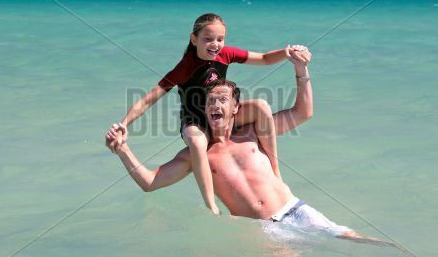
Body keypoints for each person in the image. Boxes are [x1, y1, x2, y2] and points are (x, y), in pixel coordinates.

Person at [107, 48, 393, 245]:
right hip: (263, 230)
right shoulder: (198, 157)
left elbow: (302, 112)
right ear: (203, 110)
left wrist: (301, 70)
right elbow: (150, 182)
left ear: (235, 108)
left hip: (296, 210)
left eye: (222, 100)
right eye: (210, 101)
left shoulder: (254, 133)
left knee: (354, 241)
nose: (216, 105)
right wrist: (123, 149)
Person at [107, 12, 306, 215]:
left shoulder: (226, 54)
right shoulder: (185, 67)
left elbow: (264, 59)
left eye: (220, 39)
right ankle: (210, 203)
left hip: (221, 114)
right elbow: (148, 99)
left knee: (261, 106)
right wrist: (125, 123)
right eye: (208, 39)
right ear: (194, 39)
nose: (215, 44)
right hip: (196, 122)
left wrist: (287, 52)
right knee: (197, 142)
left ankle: (276, 173)